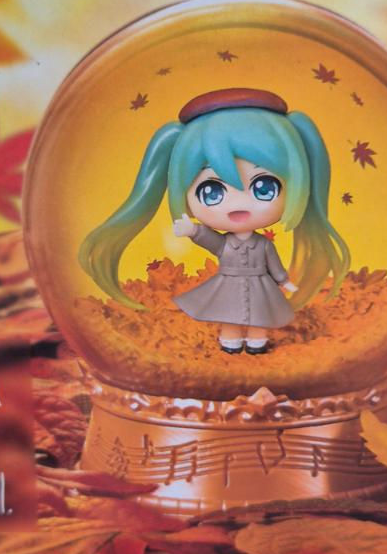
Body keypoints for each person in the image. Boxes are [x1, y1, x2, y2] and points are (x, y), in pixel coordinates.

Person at [79, 87, 350, 354]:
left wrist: (284, 281)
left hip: (260, 285)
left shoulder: (263, 245)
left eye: (264, 188)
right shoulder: (227, 244)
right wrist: (193, 231)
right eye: (212, 192)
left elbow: (274, 263)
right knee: (229, 314)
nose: (238, 205)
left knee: (260, 316)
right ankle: (230, 341)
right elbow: (215, 244)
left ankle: (257, 342)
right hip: (229, 283)